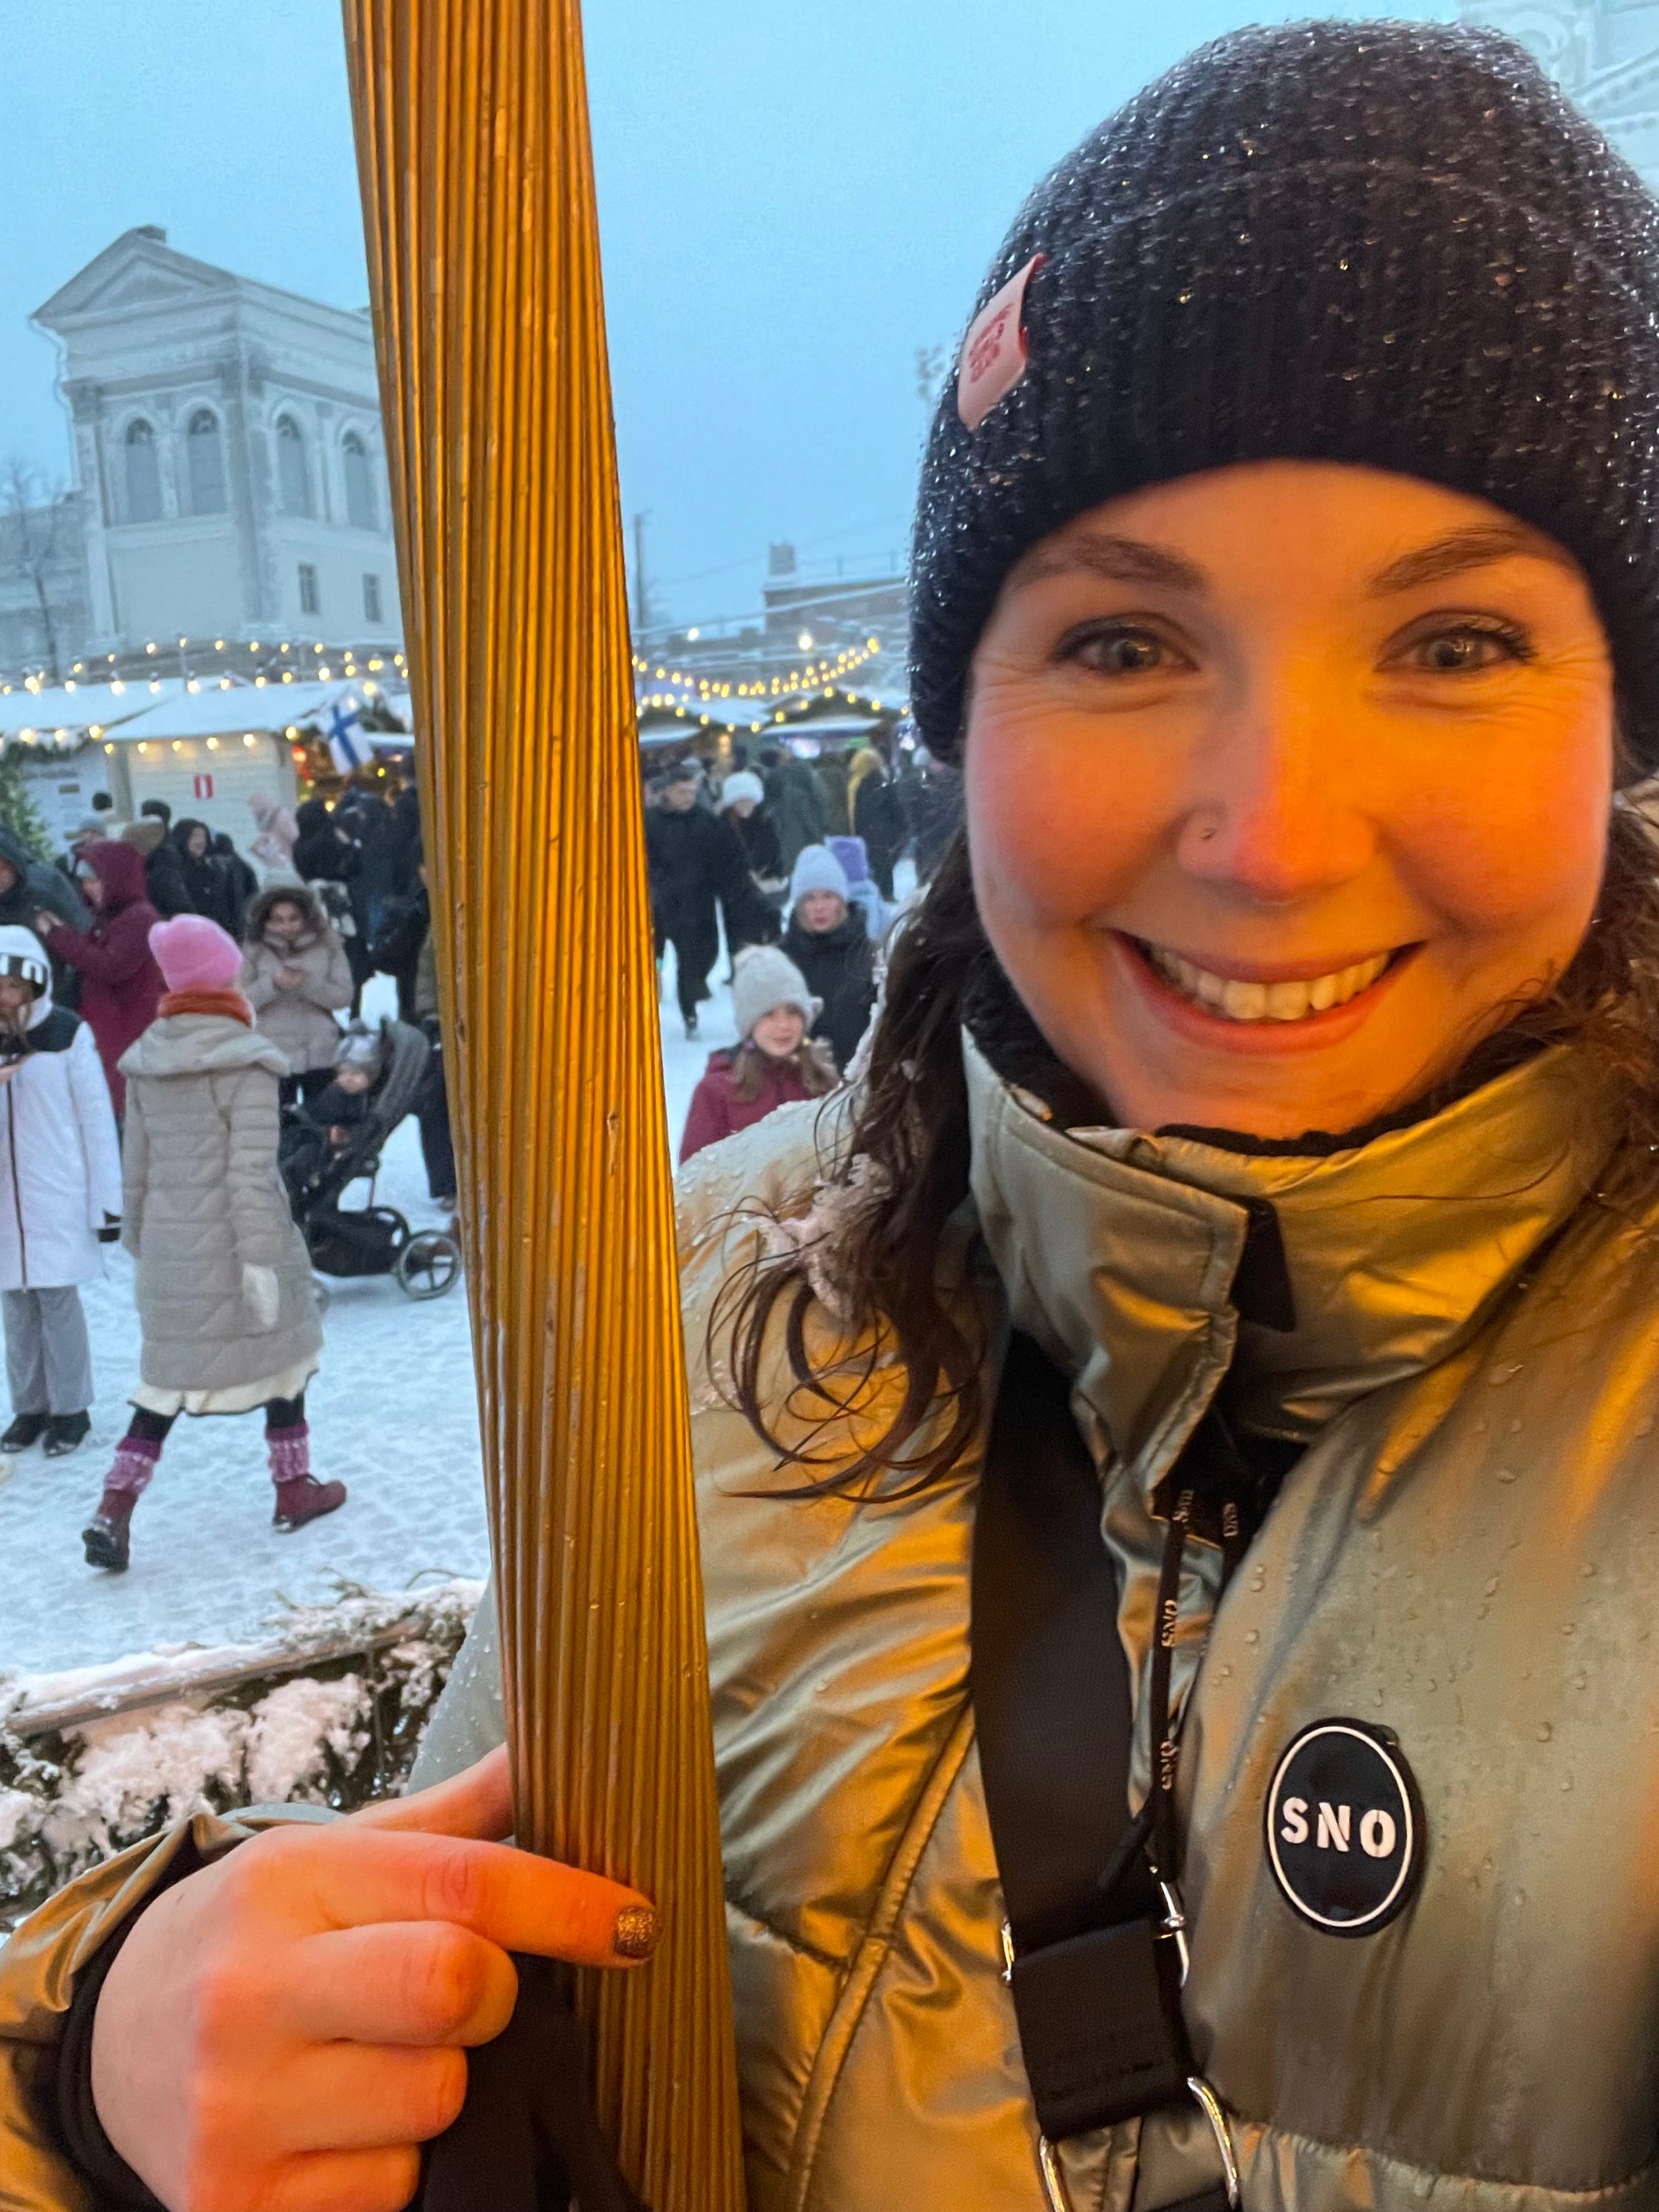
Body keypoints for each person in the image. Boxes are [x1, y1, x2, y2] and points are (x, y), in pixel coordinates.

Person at [18, 23, 1659, 2211]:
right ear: (958, 719)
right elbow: (434, 2016)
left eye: (1450, 645)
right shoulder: (704, 1311)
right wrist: (110, 2067)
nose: (1271, 835)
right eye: (1120, 646)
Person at [81, 915, 338, 1574]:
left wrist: (141, 1241)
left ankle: (114, 1506)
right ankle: (293, 1488)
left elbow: (135, 1166)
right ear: (224, 976)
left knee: (164, 1384)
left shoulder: (148, 1057)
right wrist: (263, 1259)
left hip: (172, 1243)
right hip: (237, 1238)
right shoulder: (245, 1058)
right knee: (285, 1360)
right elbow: (250, 1174)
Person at [0, 926, 121, 1461]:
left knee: (57, 1302)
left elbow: (96, 1121)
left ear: (34, 983)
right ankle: (30, 1408)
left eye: (12, 985)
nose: (5, 996)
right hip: (5, 1203)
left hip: (57, 1193)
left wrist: (106, 1202)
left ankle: (71, 1409)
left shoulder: (67, 1033)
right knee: (15, 1309)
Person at [645, 760, 775, 1039]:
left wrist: (744, 893)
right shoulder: (649, 821)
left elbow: (729, 861)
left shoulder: (706, 822)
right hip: (657, 906)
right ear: (668, 792)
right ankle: (675, 1010)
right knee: (655, 959)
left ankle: (692, 993)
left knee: (700, 958)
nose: (688, 798)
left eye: (692, 792)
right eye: (682, 792)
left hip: (697, 906)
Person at [32, 839, 161, 1119]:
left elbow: (108, 966)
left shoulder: (139, 918)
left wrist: (57, 935)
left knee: (120, 1110)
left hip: (125, 1028)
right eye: (85, 882)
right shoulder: (110, 916)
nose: (88, 888)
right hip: (109, 1028)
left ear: (116, 878)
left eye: (95, 881)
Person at [678, 945, 837, 1163]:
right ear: (750, 1022)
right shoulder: (716, 1092)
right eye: (769, 1014)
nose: (783, 1025)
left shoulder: (822, 1079)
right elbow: (694, 1172)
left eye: (792, 1012)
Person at [239, 884, 354, 1107]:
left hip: (320, 1051)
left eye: (293, 919)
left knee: (321, 1119)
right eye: (278, 920)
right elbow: (241, 999)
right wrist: (273, 985)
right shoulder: (254, 949)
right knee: (277, 1120)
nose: (286, 926)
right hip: (273, 1051)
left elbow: (344, 996)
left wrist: (308, 984)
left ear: (306, 917)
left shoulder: (329, 945)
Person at [782, 843, 876, 1074]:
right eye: (810, 898)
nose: (820, 907)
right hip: (797, 1080)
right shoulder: (781, 961)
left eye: (828, 896)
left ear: (842, 901)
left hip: (860, 1079)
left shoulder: (869, 956)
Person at [292, 797, 372, 1010]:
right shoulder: (331, 840)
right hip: (341, 904)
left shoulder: (300, 845)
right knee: (352, 958)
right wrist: (350, 845)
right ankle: (354, 1010)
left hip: (313, 904)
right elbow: (354, 868)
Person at [759, 741, 830, 873]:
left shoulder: (788, 791)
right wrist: (820, 838)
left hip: (790, 841)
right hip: (806, 842)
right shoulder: (808, 792)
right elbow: (811, 821)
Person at [847, 744, 906, 899]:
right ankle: (887, 894)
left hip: (867, 834)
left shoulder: (857, 784)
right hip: (885, 834)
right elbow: (897, 810)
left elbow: (858, 813)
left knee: (872, 866)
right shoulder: (884, 782)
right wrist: (897, 832)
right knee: (884, 867)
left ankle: (876, 894)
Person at [168, 818, 236, 932]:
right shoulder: (174, 869)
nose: (200, 842)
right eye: (194, 837)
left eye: (203, 837)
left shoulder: (213, 868)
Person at [211, 832, 259, 941]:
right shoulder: (242, 864)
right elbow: (254, 891)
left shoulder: (210, 863)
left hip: (218, 917)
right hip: (239, 915)